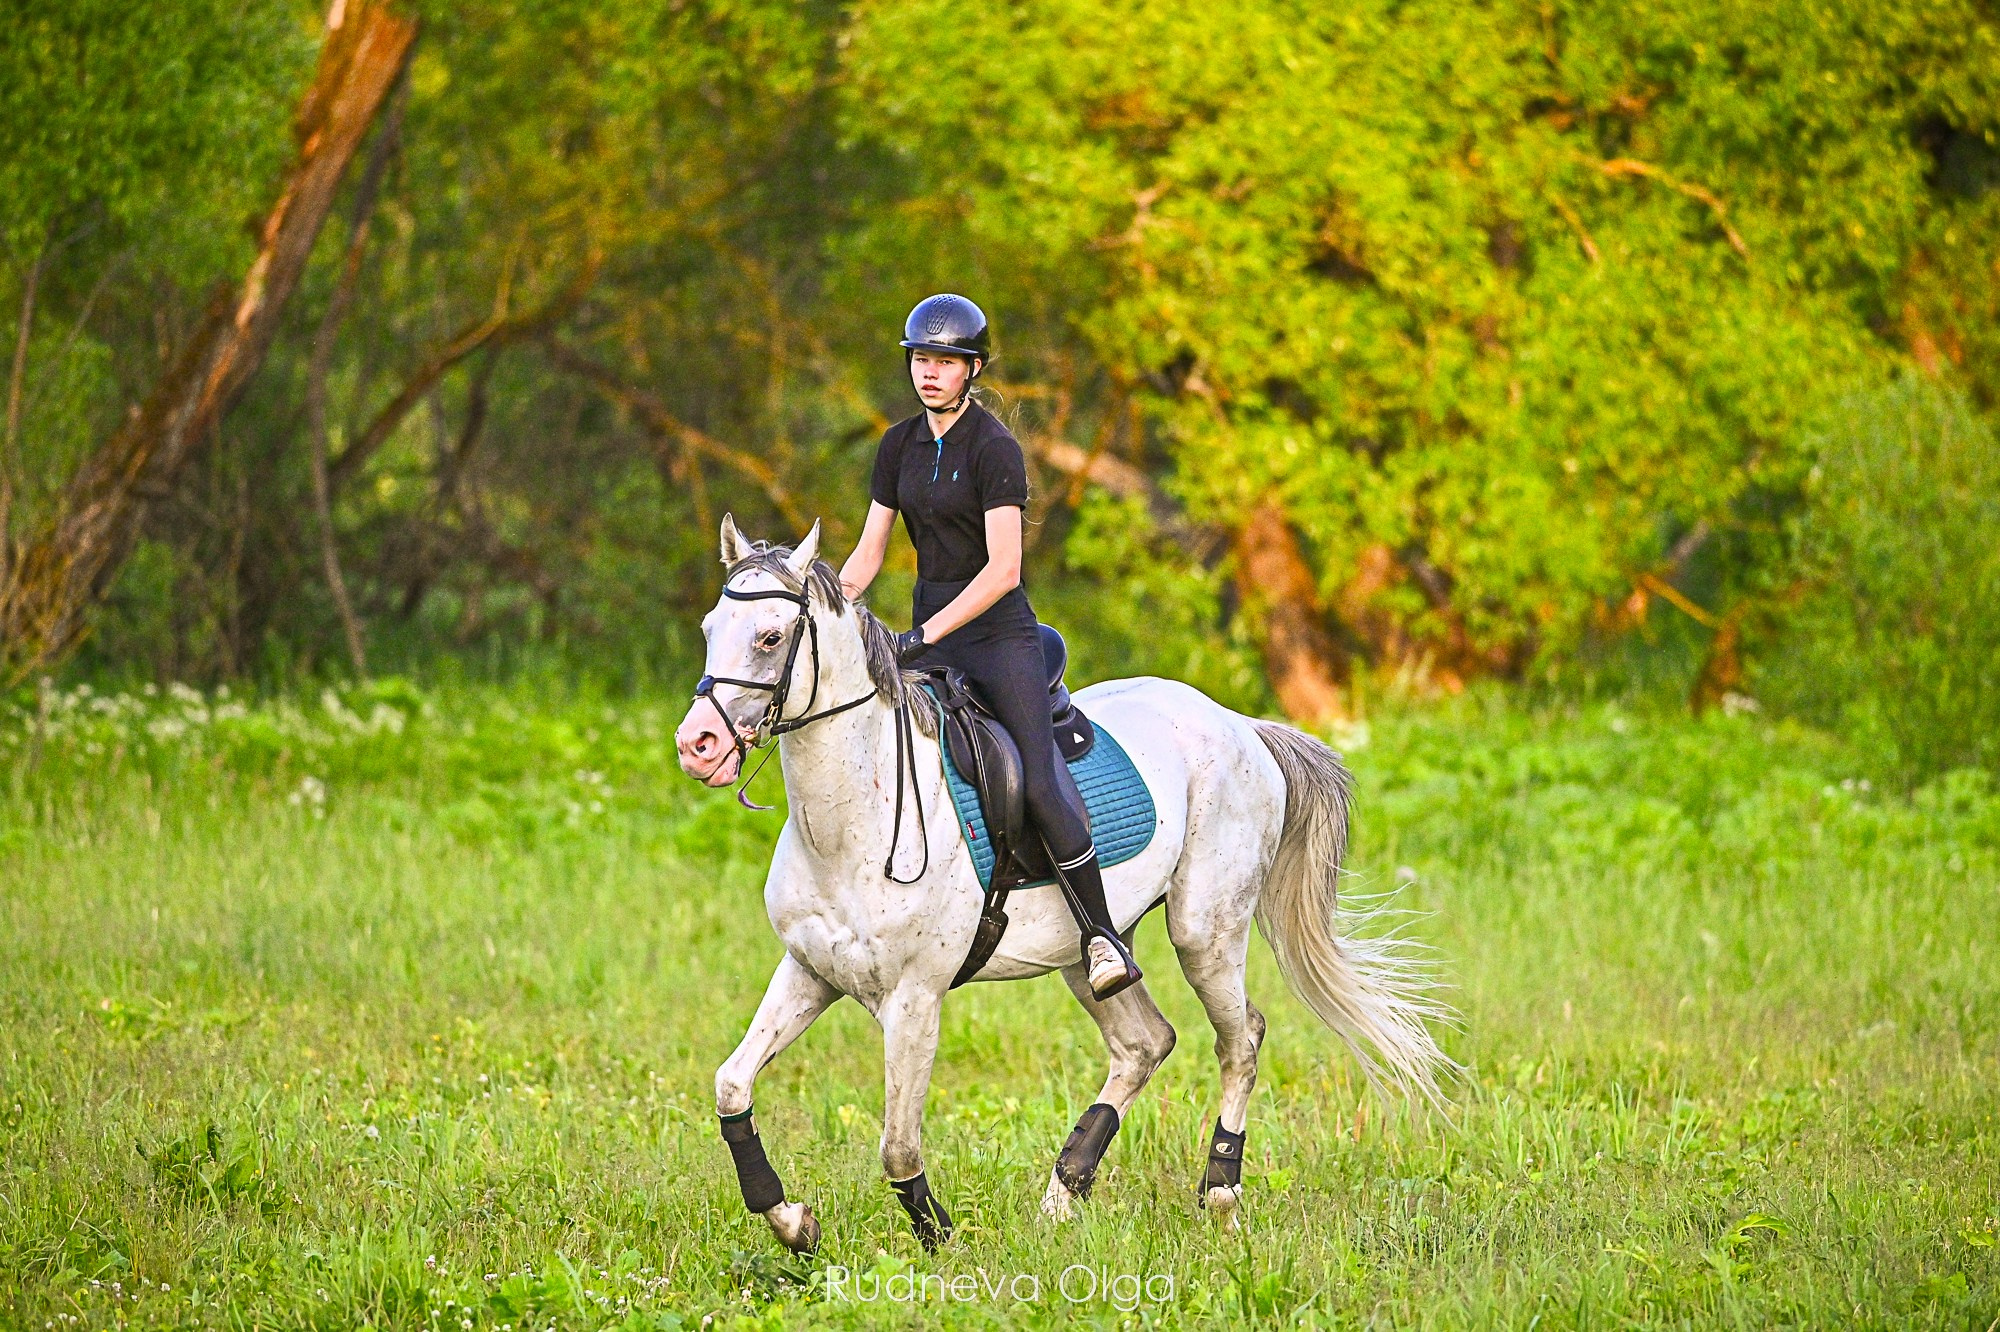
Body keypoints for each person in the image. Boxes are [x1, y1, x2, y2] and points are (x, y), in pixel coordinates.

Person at [838, 293, 1142, 1001]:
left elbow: (1004, 568)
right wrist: (820, 604)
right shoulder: (896, 446)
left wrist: (924, 636)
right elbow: (868, 553)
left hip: (996, 640)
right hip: (926, 637)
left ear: (972, 370)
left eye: (945, 362)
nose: (930, 374)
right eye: (921, 360)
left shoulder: (995, 449)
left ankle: (1101, 935)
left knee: (1035, 775)